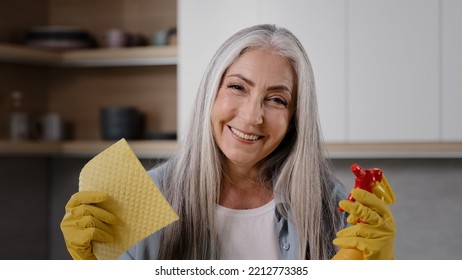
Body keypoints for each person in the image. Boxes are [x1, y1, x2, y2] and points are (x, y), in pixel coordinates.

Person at [60, 24, 396, 260]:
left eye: (277, 100)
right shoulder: (144, 200)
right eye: (237, 87)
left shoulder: (332, 207)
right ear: (211, 92)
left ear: (296, 117)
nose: (252, 117)